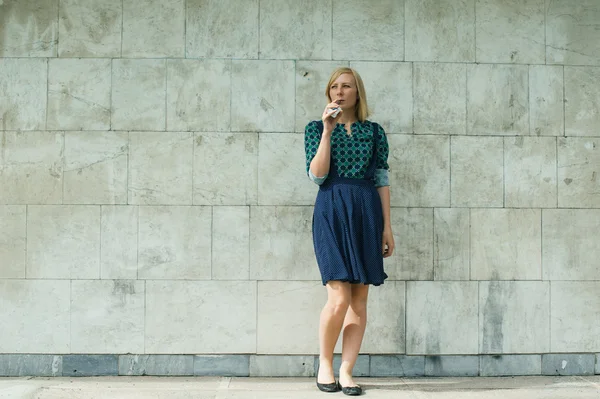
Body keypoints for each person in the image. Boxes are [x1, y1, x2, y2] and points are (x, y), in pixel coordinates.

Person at [304, 67, 395, 396]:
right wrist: (328, 131)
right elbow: (316, 175)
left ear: (358, 93)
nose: (339, 92)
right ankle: (325, 363)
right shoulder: (315, 129)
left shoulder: (374, 132)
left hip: (366, 211)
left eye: (346, 87)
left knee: (359, 298)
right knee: (338, 295)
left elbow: (382, 180)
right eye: (334, 87)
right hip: (331, 209)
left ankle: (346, 371)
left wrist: (386, 227)